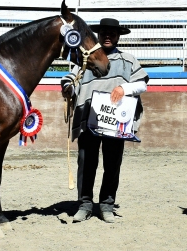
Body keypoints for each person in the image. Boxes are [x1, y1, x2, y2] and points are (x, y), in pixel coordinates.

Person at [61, 18, 148, 223]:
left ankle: (107, 205)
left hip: (115, 124)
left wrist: (124, 88)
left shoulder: (128, 60)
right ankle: (85, 205)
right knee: (86, 163)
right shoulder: (86, 58)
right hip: (89, 122)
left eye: (112, 33)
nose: (108, 36)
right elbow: (72, 80)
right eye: (104, 33)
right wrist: (68, 88)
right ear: (98, 35)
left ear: (118, 36)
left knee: (112, 164)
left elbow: (142, 84)